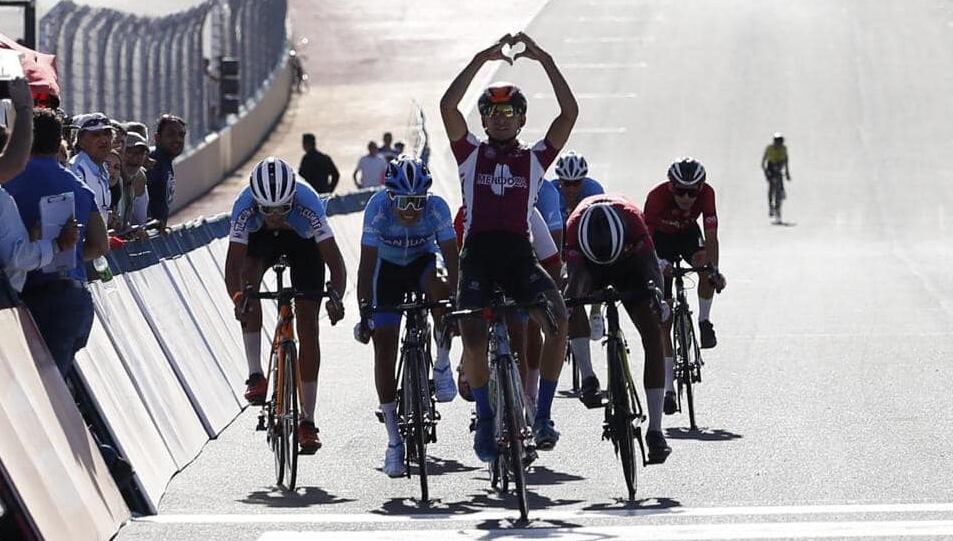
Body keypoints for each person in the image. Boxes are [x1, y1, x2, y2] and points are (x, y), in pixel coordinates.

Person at [440, 31, 577, 462]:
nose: (501, 118)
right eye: (493, 112)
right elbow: (447, 106)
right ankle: (484, 417)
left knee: (558, 321)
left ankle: (543, 416)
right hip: (478, 255)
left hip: (518, 256)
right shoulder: (469, 155)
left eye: (510, 112)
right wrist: (482, 57)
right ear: (484, 121)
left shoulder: (534, 159)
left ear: (521, 120)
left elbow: (569, 114)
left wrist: (545, 58)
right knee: (475, 339)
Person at [225, 157, 347, 454]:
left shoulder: (308, 202)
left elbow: (335, 262)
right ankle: (256, 374)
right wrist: (239, 298)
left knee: (308, 325)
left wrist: (336, 295)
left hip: (303, 244)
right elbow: (233, 266)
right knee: (248, 286)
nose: (276, 215)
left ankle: (308, 420)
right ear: (256, 202)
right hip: (260, 241)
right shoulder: (243, 206)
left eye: (283, 208)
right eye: (268, 209)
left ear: (292, 198)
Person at [354, 156, 459, 477]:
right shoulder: (377, 209)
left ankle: (441, 364)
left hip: (423, 264)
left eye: (417, 202)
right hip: (386, 272)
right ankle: (393, 443)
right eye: (403, 201)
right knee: (384, 350)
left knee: (441, 289)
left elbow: (453, 261)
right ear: (390, 196)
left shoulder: (437, 208)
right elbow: (367, 266)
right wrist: (365, 311)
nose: (411, 210)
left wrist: (453, 305)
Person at [563, 195, 671, 463]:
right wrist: (567, 306)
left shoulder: (634, 221)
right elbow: (574, 283)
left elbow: (652, 274)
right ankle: (588, 377)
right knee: (572, 302)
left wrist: (660, 299)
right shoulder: (575, 227)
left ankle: (655, 430)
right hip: (588, 265)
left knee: (653, 334)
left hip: (630, 264)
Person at [5, 108, 109, 378]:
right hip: (73, 300)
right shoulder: (78, 186)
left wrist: (44, 252)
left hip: (28, 301)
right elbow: (100, 244)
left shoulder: (9, 183)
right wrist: (66, 253)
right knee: (57, 387)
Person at [643, 157, 726, 414]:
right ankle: (668, 389)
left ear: (701, 188)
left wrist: (713, 270)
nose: (687, 198)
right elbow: (645, 241)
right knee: (663, 320)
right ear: (671, 187)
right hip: (661, 242)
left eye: (693, 192)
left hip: (689, 236)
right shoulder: (656, 197)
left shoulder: (707, 194)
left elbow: (711, 235)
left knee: (704, 265)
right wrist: (658, 264)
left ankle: (703, 320)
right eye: (681, 191)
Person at [68, 112, 114, 222]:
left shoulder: (103, 169)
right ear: (80, 141)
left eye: (107, 133)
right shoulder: (76, 169)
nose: (103, 140)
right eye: (95, 135)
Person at [147, 114, 187, 229]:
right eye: (171, 134)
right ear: (157, 138)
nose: (177, 139)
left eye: (181, 135)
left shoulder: (165, 161)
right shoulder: (153, 161)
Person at [118, 132, 150, 230]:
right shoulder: (109, 178)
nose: (136, 157)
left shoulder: (140, 177)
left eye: (141, 153)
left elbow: (141, 222)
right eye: (130, 152)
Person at [761, 132, 791, 218]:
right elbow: (764, 161)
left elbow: (785, 160)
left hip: (779, 166)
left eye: (780, 142)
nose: (779, 144)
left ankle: (778, 206)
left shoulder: (783, 149)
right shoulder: (769, 148)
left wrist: (787, 172)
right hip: (770, 167)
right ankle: (771, 205)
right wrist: (766, 172)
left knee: (779, 189)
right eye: (777, 142)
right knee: (771, 188)